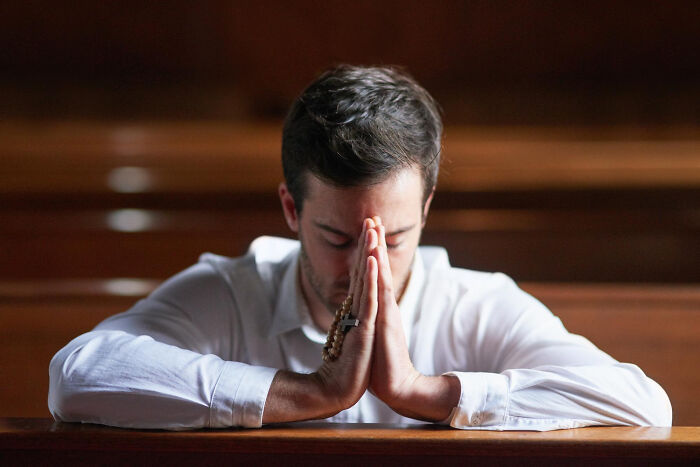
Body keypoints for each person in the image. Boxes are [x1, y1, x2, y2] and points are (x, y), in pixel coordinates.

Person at [49, 65, 671, 430]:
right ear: (292, 210)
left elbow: (644, 405)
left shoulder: (478, 304)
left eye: (394, 238)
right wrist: (308, 393)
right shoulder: (231, 292)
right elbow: (75, 376)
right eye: (339, 237)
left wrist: (427, 393)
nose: (366, 267)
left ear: (426, 211)